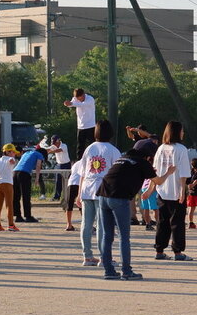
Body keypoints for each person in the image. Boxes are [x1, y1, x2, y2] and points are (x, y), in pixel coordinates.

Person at [96, 140, 176, 280]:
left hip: (103, 195)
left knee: (107, 236)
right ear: (148, 155)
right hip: (119, 198)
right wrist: (169, 172)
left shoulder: (123, 158)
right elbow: (158, 182)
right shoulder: (142, 162)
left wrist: (148, 172)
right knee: (124, 237)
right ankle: (126, 271)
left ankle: (108, 271)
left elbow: (128, 174)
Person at [77, 120, 121, 266]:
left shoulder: (89, 149)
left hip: (87, 188)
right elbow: (117, 173)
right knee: (102, 225)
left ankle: (87, 256)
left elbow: (82, 173)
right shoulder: (113, 150)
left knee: (86, 224)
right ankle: (104, 257)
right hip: (103, 189)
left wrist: (79, 193)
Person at [152, 121, 193, 261]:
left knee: (162, 222)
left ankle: (159, 250)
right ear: (176, 132)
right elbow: (183, 173)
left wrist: (153, 188)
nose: (183, 133)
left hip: (162, 190)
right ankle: (178, 252)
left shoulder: (161, 148)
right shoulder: (181, 149)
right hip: (176, 191)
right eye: (181, 131)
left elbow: (155, 170)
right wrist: (183, 191)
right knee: (177, 223)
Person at [12, 147, 43, 223]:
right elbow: (38, 166)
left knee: (16, 196)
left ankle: (18, 216)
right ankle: (28, 216)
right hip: (24, 174)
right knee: (26, 196)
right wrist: (37, 178)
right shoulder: (39, 155)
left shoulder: (26, 153)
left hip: (15, 173)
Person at [64, 88, 96, 160]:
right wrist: (68, 104)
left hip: (90, 125)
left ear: (83, 95)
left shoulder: (90, 99)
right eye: (77, 99)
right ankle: (79, 161)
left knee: (93, 144)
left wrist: (72, 103)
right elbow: (72, 104)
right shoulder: (75, 99)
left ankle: (95, 158)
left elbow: (82, 105)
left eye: (80, 98)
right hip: (81, 126)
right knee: (80, 146)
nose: (79, 100)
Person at [47, 135, 71, 201]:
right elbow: (47, 149)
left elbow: (58, 150)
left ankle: (69, 197)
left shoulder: (64, 145)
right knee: (58, 181)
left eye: (55, 142)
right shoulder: (53, 146)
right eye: (53, 143)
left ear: (58, 141)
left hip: (66, 165)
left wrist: (50, 151)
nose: (54, 144)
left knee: (68, 182)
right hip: (59, 165)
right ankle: (57, 197)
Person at [62, 160, 83, 231]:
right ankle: (86, 224)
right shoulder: (87, 162)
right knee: (82, 205)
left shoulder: (76, 164)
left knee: (69, 204)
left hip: (71, 183)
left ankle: (69, 224)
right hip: (80, 183)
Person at [187, 158, 197, 230]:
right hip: (194, 193)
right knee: (191, 209)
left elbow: (188, 183)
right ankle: (191, 223)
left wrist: (189, 187)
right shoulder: (192, 172)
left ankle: (190, 223)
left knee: (191, 209)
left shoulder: (191, 172)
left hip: (191, 193)